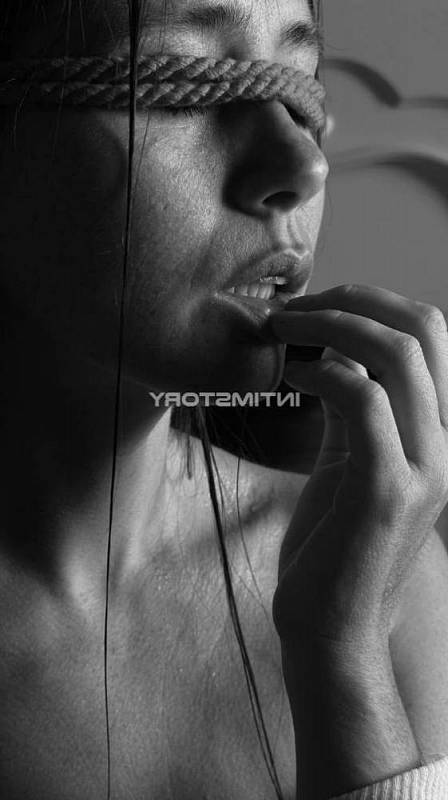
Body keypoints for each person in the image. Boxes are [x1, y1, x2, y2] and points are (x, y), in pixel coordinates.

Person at [1, 1, 448, 798]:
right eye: (184, 83)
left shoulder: (375, 570)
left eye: (299, 86)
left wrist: (341, 654)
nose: (303, 164)